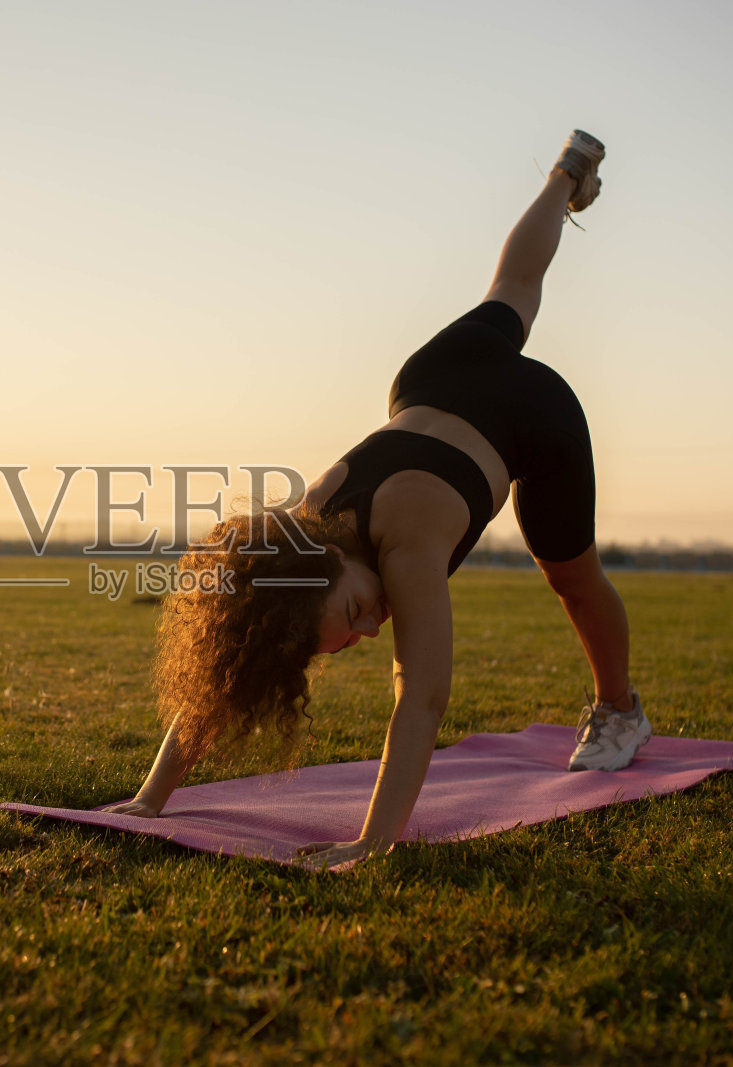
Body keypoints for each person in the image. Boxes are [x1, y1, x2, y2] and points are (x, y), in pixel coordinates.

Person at [108, 131, 649, 870]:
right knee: (512, 291)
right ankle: (565, 174)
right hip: (434, 377)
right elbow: (229, 663)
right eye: (360, 630)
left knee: (572, 579)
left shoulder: (409, 540)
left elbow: (420, 698)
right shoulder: (295, 541)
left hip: (538, 418)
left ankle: (620, 710)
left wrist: (373, 840)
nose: (371, 626)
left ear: (333, 559)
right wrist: (151, 795)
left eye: (354, 613)